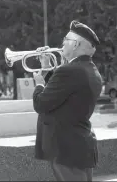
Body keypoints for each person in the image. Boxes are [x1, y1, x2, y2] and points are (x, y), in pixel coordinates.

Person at [32, 20, 103, 181]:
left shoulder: (70, 71)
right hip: (77, 146)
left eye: (66, 39)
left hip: (66, 149)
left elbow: (41, 104)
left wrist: (39, 84)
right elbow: (62, 93)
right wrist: (47, 67)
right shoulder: (87, 69)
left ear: (76, 44)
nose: (62, 43)